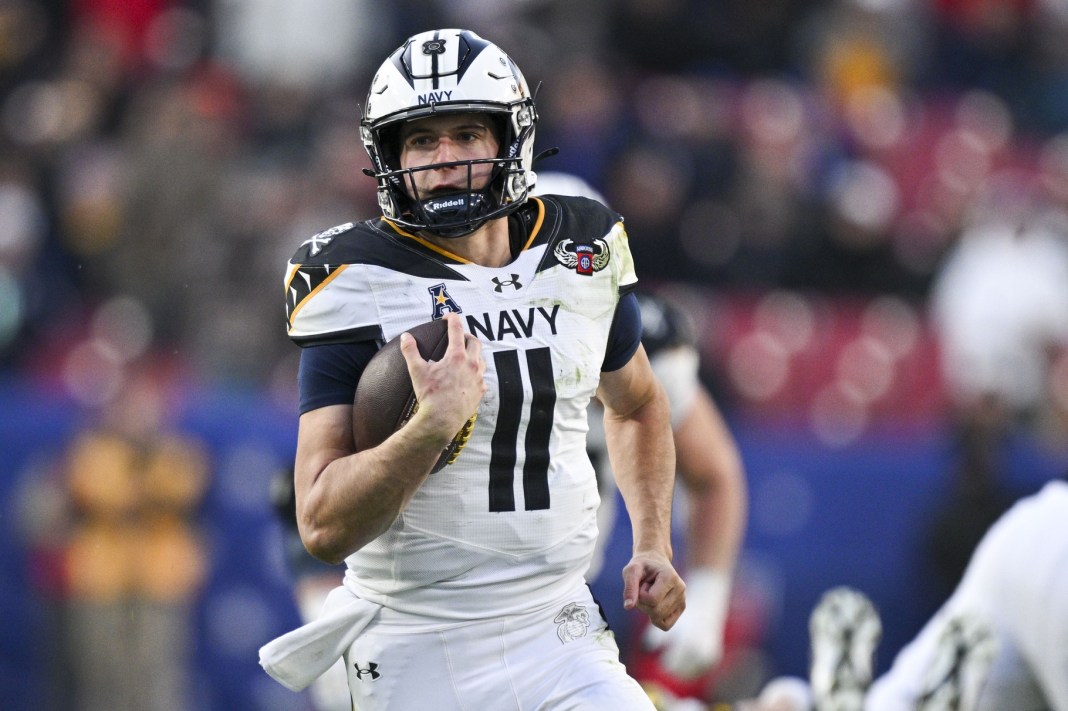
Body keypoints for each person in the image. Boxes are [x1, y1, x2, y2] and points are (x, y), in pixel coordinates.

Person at [259, 29, 684, 711]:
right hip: (416, 642)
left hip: (559, 626)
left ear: (508, 141)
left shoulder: (582, 244)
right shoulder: (351, 274)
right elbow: (321, 523)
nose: (445, 158)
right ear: (389, 156)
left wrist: (654, 541)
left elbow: (636, 404)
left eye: (465, 134)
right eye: (422, 141)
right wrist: (429, 429)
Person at [534, 172, 750, 704]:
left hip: (562, 602)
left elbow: (715, 474)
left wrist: (709, 601)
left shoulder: (645, 342)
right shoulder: (445, 327)